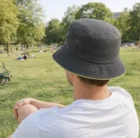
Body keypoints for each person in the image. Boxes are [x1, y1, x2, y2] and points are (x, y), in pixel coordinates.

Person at [8, 19, 139, 138]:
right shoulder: (124, 99)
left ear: (69, 66)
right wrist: (36, 103)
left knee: (26, 110)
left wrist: (26, 122)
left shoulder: (39, 127)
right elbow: (82, 110)